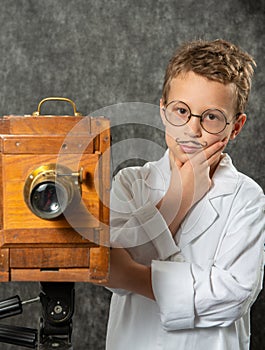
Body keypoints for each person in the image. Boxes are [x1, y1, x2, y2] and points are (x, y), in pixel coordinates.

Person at [104, 39, 265, 350]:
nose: (192, 129)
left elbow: (232, 295)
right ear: (163, 110)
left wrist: (133, 277)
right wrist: (181, 197)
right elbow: (108, 268)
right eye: (181, 111)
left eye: (212, 117)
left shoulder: (246, 198)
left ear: (236, 127)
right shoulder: (131, 183)